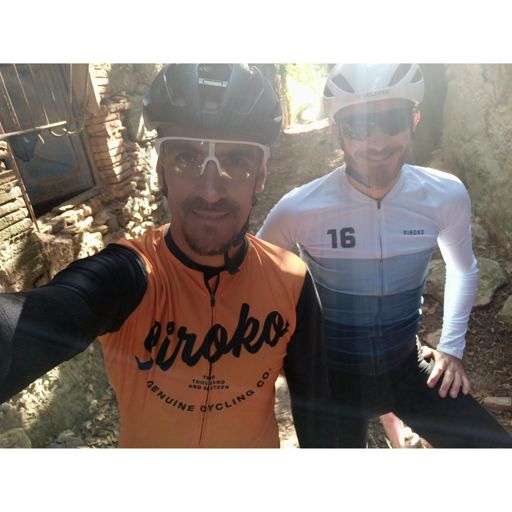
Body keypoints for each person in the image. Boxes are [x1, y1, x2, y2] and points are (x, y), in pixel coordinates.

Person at [0, 63, 335, 448]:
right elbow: (48, 313)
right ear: (160, 171)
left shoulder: (291, 281)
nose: (210, 192)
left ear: (260, 176)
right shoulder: (127, 276)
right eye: (187, 157)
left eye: (237, 161)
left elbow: (319, 413)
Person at [258, 63, 512, 448]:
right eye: (359, 126)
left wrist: (451, 347)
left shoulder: (444, 195)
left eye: (392, 120)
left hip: (406, 368)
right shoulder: (299, 208)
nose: (377, 142)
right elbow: (254, 282)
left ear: (413, 121)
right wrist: (279, 357)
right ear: (337, 133)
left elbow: (463, 270)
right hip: (330, 382)